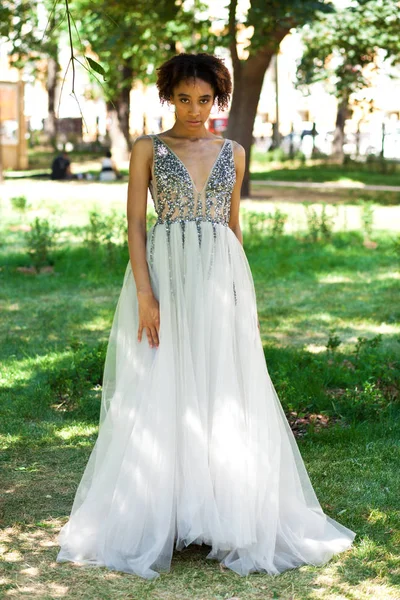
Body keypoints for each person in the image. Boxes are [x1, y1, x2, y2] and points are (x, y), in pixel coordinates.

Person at [56, 52, 355, 580]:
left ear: (217, 100)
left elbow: (234, 226)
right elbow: (135, 227)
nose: (194, 110)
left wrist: (243, 294)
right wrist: (146, 294)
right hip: (165, 276)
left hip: (220, 277)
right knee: (163, 382)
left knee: (221, 386)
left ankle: (220, 513)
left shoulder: (234, 152)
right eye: (184, 99)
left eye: (205, 100)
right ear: (168, 97)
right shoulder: (147, 149)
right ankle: (161, 513)